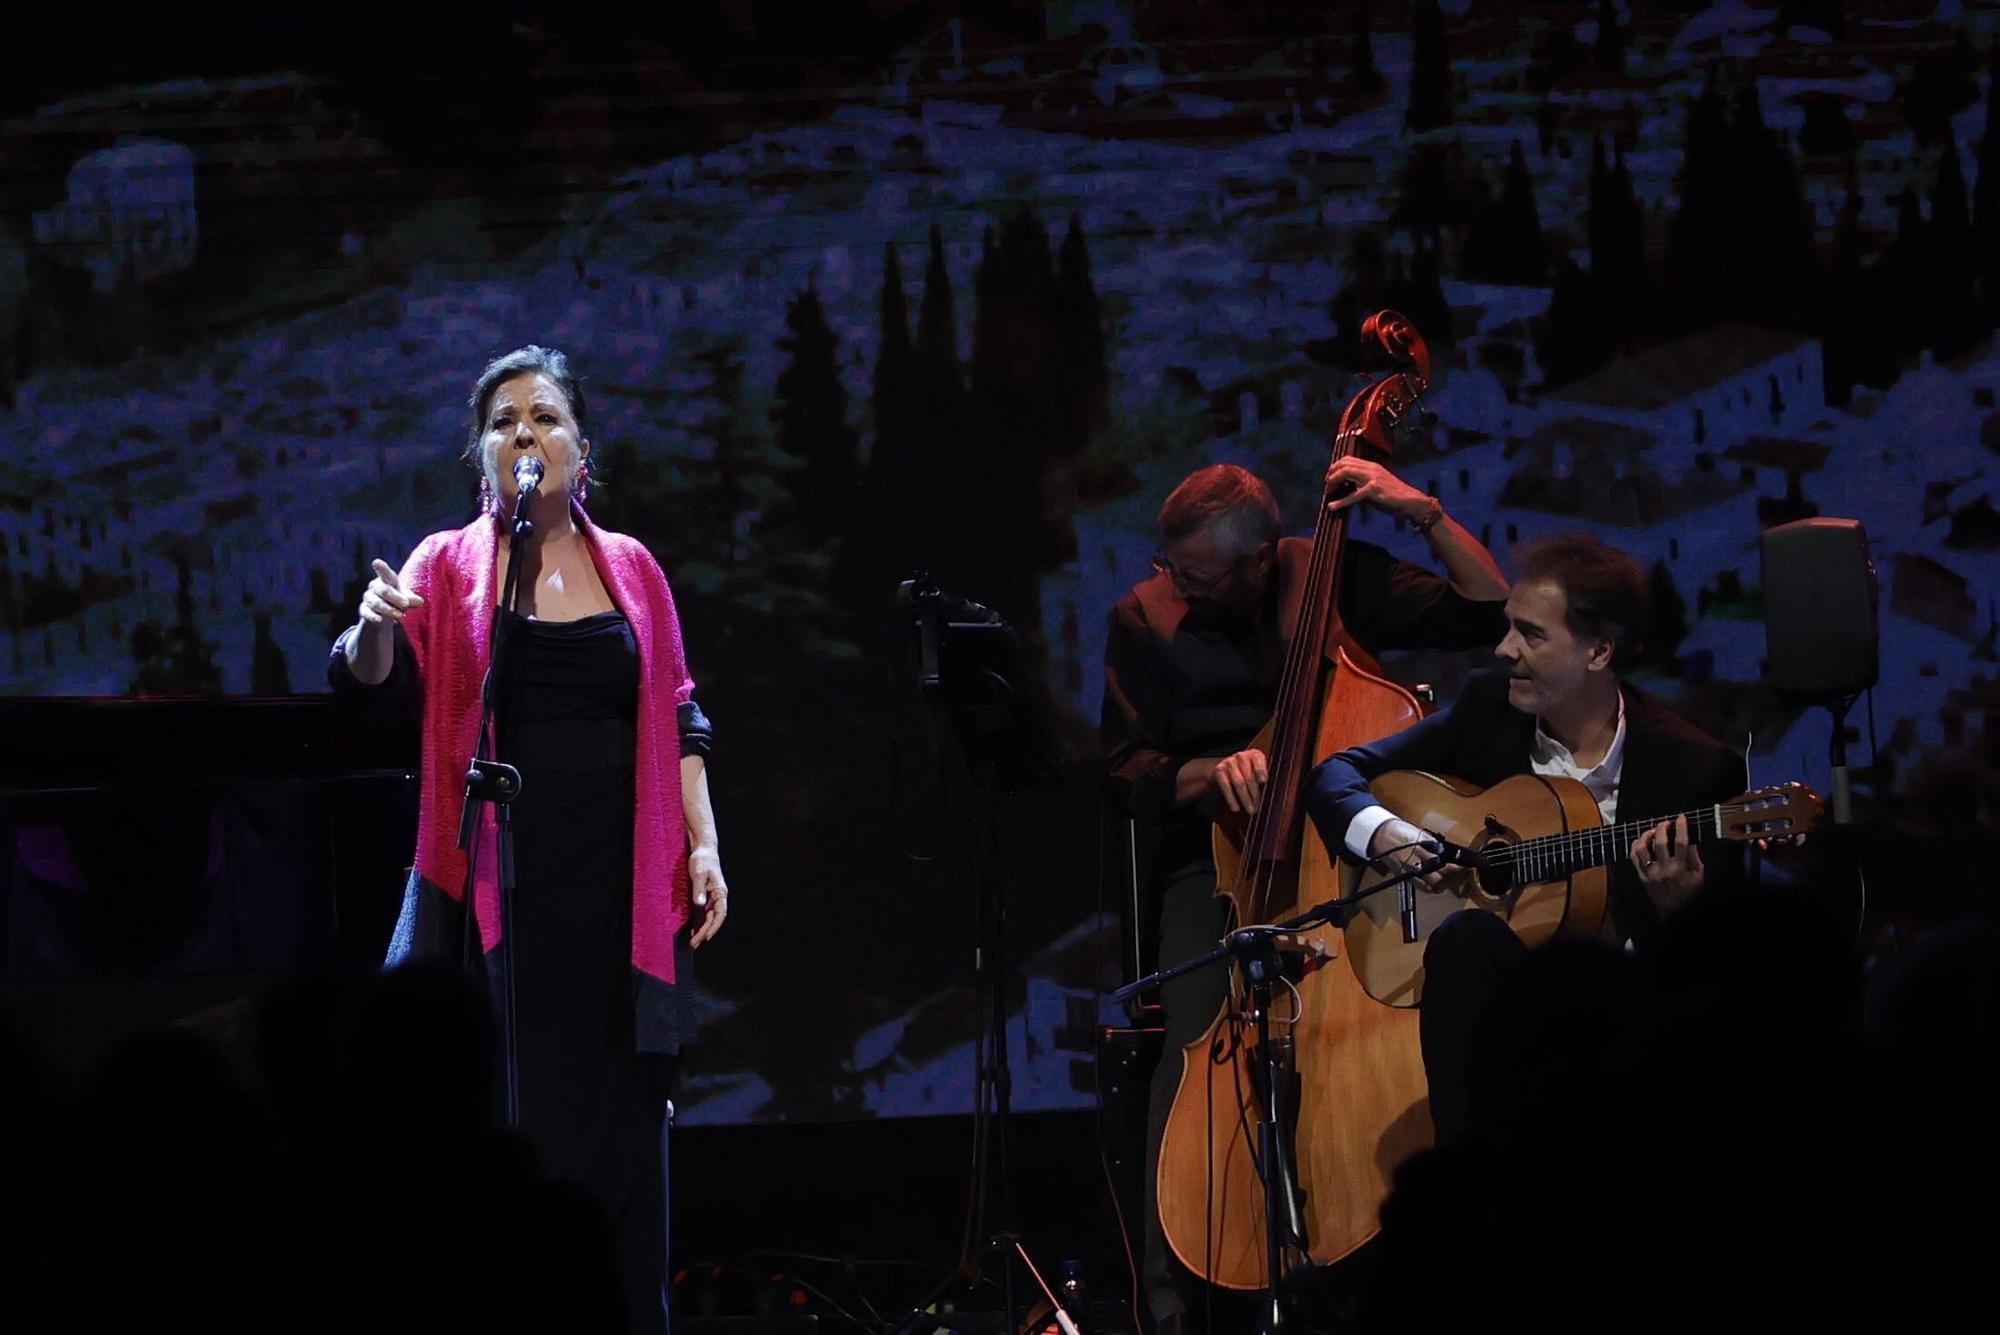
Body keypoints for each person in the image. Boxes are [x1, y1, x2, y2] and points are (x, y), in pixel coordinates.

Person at [329, 344, 726, 1334]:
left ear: (581, 451)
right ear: (483, 458)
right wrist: (374, 624)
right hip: (502, 893)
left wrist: (705, 846)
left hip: (621, 898)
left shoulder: (631, 566)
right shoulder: (447, 564)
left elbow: (679, 717)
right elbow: (371, 682)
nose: (525, 435)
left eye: (545, 418)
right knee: (507, 1132)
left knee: (622, 1131)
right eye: (505, 421)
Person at [1101, 460, 1508, 1334]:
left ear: (1257, 563)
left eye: (1200, 578)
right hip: (1216, 859)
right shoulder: (1144, 615)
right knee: (1192, 1045)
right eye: (1173, 569)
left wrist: (1422, 510)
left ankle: (1405, 1266)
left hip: (1354, 848)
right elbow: (1123, 770)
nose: (1178, 588)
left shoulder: (1330, 571)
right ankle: (1180, 1301)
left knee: (1413, 1023)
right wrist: (1209, 772)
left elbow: (1486, 611)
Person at [1304, 530, 1748, 1144]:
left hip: (1626, 1029)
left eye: (1530, 634)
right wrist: (1386, 836)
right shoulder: (1490, 708)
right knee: (1464, 940)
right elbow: (1335, 774)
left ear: (1598, 652)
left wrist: (1680, 912)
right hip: (1502, 1023)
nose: (1504, 649)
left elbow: (1729, 976)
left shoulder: (1693, 769)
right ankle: (1471, 1194)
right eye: (1509, 626)